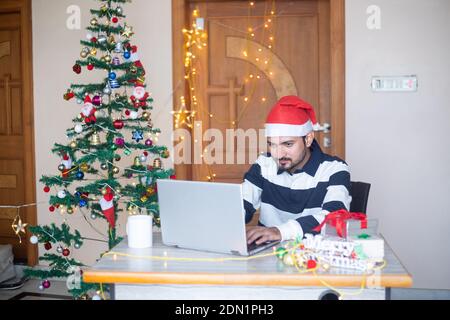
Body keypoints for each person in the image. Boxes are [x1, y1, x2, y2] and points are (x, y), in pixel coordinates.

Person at [243, 96, 352, 246]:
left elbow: (334, 218)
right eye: (272, 145)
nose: (279, 154)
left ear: (308, 139)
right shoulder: (264, 164)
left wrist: (280, 232)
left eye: (288, 144)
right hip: (265, 253)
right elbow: (242, 204)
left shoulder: (334, 168)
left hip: (312, 257)